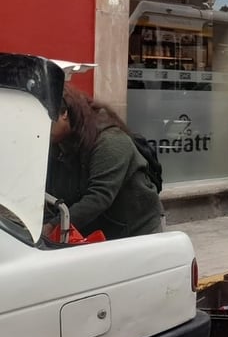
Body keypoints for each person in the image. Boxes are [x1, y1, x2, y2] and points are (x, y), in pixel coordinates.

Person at [46, 85, 163, 240]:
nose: (42, 129)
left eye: (45, 121)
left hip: (137, 230)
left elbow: (99, 196)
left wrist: (51, 226)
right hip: (99, 230)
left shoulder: (110, 140)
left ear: (64, 113)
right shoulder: (59, 141)